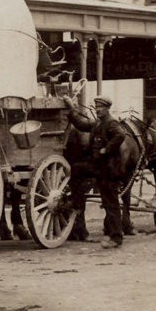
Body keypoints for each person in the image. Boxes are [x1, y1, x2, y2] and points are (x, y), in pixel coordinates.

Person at [63, 94, 127, 248]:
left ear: (107, 108)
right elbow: (81, 124)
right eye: (97, 107)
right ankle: (77, 201)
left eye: (101, 107)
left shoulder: (111, 123)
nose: (98, 110)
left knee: (110, 203)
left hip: (109, 170)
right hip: (98, 167)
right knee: (76, 170)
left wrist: (107, 149)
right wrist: (72, 109)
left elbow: (121, 134)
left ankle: (116, 237)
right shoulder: (98, 123)